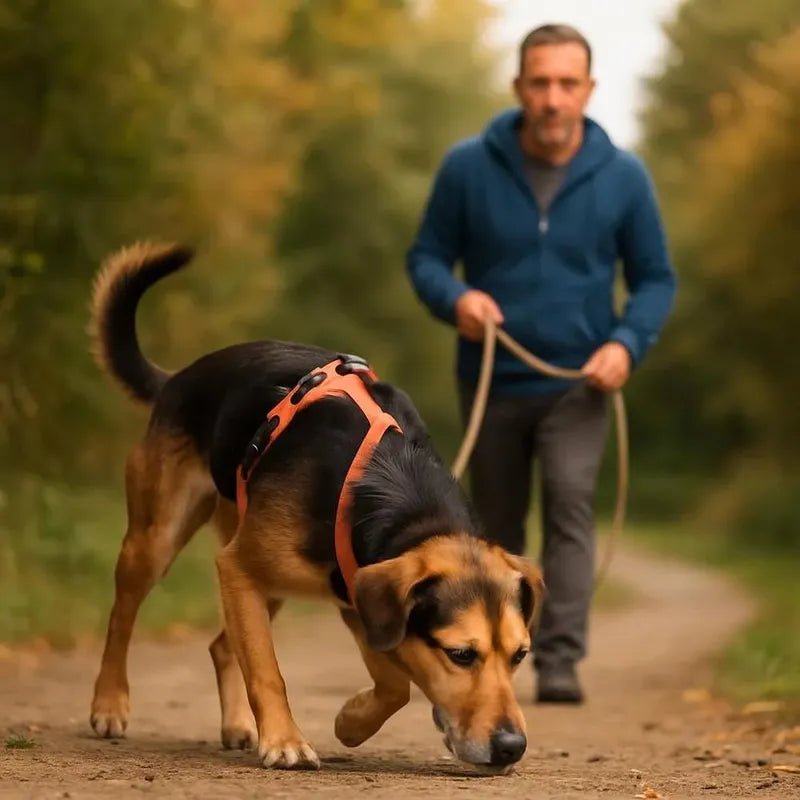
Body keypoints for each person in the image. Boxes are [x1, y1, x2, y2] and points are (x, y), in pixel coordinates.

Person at [406, 24, 676, 704]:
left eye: (566, 83)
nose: (553, 98)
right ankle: (490, 655)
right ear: (519, 87)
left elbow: (655, 279)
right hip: (493, 377)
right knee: (494, 528)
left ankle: (558, 659)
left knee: (569, 505)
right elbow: (427, 259)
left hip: (580, 385)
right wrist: (456, 297)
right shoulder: (467, 166)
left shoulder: (624, 177)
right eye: (540, 82)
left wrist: (626, 343)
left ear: (587, 90)